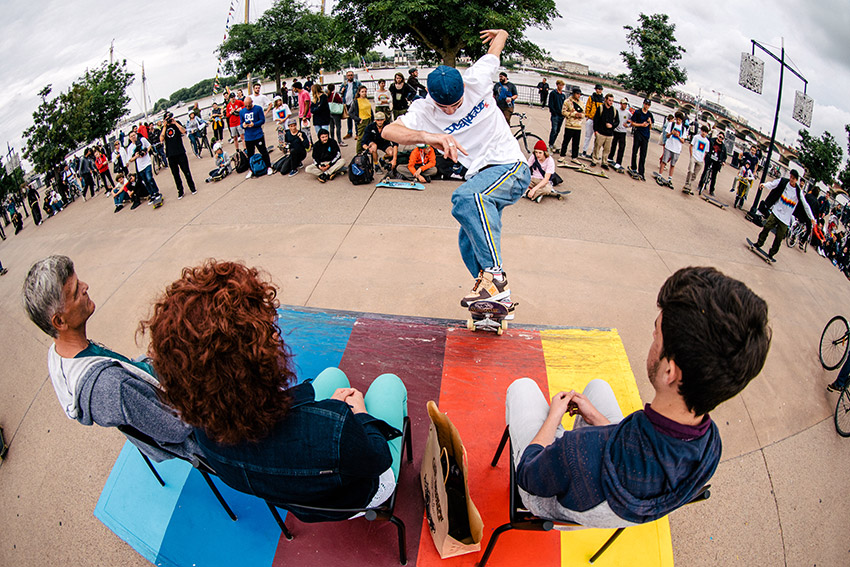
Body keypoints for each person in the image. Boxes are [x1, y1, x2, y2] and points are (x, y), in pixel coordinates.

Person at [138, 260, 408, 521]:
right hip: (355, 498)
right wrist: (358, 414)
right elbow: (378, 458)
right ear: (252, 365)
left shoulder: (202, 436)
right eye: (268, 330)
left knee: (332, 376)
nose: (277, 335)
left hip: (294, 496)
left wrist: (332, 412)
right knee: (388, 383)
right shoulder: (335, 429)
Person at [505, 266, 770, 527]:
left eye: (657, 333)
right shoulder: (711, 448)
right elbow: (629, 449)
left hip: (557, 505)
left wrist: (553, 417)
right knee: (598, 387)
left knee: (523, 387)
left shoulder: (578, 450)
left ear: (670, 372)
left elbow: (529, 473)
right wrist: (594, 416)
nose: (653, 336)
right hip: (616, 506)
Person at [383, 29, 530, 308]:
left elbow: (495, 49)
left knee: (466, 197)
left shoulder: (477, 78)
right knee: (467, 240)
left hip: (510, 166)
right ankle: (494, 297)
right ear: (431, 96)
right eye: (444, 107)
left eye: (457, 105)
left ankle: (496, 280)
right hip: (481, 176)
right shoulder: (424, 109)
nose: (450, 112)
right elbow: (389, 131)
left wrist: (501, 32)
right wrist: (428, 137)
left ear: (464, 87)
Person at [22, 255, 202, 462]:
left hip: (166, 390)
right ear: (60, 322)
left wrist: (151, 362)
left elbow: (130, 374)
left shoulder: (62, 352)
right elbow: (177, 430)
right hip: (200, 436)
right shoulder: (112, 386)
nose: (85, 287)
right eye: (75, 291)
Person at [752, 169, 814, 261]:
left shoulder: (798, 191)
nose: (791, 180)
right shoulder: (783, 182)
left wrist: (812, 218)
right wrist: (764, 185)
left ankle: (771, 253)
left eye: (793, 178)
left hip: (785, 218)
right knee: (767, 227)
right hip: (776, 211)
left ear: (796, 180)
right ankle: (759, 243)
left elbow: (806, 205)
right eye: (791, 177)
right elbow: (773, 184)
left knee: (779, 237)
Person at [160, 111, 197, 199]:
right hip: (171, 154)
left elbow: (184, 131)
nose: (169, 119)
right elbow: (161, 139)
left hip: (180, 152)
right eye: (167, 118)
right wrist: (164, 126)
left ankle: (192, 187)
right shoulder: (163, 128)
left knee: (186, 171)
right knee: (175, 174)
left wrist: (175, 123)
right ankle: (180, 191)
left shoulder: (176, 124)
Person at [240, 96, 274, 179]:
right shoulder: (242, 112)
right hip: (248, 136)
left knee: (263, 151)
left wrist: (254, 124)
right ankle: (251, 169)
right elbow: (241, 123)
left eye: (249, 105)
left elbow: (262, 120)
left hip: (258, 134)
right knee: (250, 154)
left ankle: (268, 166)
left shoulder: (258, 109)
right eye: (246, 106)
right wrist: (243, 125)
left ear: (252, 102)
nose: (247, 107)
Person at [127, 131, 161, 203]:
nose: (133, 137)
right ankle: (151, 194)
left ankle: (156, 192)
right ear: (130, 138)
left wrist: (146, 151)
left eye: (134, 135)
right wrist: (136, 156)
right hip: (140, 166)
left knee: (149, 178)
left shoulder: (142, 140)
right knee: (145, 181)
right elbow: (130, 159)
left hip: (147, 162)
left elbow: (149, 146)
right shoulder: (130, 148)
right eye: (131, 136)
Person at [627, 98, 654, 181]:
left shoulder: (649, 115)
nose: (647, 106)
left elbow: (650, 127)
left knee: (643, 154)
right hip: (638, 133)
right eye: (646, 104)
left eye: (648, 105)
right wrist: (641, 125)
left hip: (645, 136)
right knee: (635, 151)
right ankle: (633, 167)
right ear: (643, 104)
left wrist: (650, 122)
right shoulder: (638, 112)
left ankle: (641, 171)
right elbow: (632, 123)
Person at [590, 94, 619, 169]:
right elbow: (596, 120)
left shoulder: (614, 110)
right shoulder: (600, 108)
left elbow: (617, 121)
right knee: (597, 148)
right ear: (605, 100)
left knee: (607, 150)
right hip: (600, 132)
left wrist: (612, 126)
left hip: (609, 134)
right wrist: (595, 130)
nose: (611, 102)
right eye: (609, 100)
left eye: (612, 101)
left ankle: (604, 162)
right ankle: (594, 160)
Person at [655, 111, 685, 183]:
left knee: (673, 164)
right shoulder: (671, 124)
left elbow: (683, 141)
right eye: (677, 119)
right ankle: (660, 175)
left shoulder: (683, 129)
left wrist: (678, 136)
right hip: (669, 146)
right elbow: (667, 135)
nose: (678, 121)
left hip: (677, 149)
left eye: (679, 120)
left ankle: (669, 178)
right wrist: (671, 133)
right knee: (664, 161)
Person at [558, 87, 584, 162]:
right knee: (566, 141)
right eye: (577, 94)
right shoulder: (567, 102)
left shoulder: (581, 103)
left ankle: (574, 157)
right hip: (570, 125)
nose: (579, 95)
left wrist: (581, 115)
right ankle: (562, 155)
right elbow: (563, 112)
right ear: (573, 94)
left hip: (578, 126)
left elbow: (584, 113)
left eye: (580, 94)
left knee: (576, 143)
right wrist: (573, 114)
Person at [698, 131, 727, 196]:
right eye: (720, 137)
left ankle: (711, 190)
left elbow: (724, 156)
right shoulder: (711, 141)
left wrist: (723, 161)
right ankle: (700, 185)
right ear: (717, 136)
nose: (720, 139)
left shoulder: (723, 147)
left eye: (722, 138)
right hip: (709, 158)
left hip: (717, 161)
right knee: (705, 171)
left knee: (714, 175)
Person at [683, 125, 710, 193]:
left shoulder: (707, 142)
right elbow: (691, 146)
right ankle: (687, 184)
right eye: (703, 131)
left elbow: (706, 151)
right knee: (690, 171)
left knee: (695, 174)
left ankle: (690, 185)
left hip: (700, 159)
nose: (704, 133)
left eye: (705, 132)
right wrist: (691, 155)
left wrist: (703, 158)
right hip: (694, 156)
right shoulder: (696, 137)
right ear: (701, 131)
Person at [607, 98, 632, 172]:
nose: (625, 106)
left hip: (623, 132)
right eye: (623, 104)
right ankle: (610, 157)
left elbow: (633, 120)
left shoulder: (628, 113)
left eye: (626, 104)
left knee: (621, 147)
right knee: (613, 145)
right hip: (615, 130)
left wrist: (628, 125)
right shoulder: (616, 110)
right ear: (620, 104)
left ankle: (619, 162)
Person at [582, 85, 604, 157]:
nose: (599, 91)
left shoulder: (603, 99)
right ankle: (584, 150)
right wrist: (587, 116)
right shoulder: (591, 98)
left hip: (598, 121)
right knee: (588, 136)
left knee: (597, 138)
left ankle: (593, 152)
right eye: (598, 89)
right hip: (591, 118)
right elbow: (588, 107)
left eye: (600, 89)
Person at [340, 70, 363, 139]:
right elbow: (340, 92)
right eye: (349, 75)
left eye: (351, 75)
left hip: (354, 102)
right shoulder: (344, 84)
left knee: (355, 118)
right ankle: (349, 132)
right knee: (348, 118)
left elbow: (361, 90)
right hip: (347, 102)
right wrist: (342, 91)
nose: (350, 76)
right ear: (346, 76)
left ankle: (357, 133)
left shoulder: (357, 83)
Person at [352, 85, 373, 150]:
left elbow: (370, 110)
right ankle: (358, 151)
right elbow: (350, 113)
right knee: (361, 137)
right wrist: (358, 119)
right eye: (362, 92)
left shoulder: (366, 100)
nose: (364, 93)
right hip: (362, 120)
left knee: (368, 136)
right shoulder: (356, 101)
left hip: (369, 119)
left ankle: (366, 149)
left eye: (365, 91)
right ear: (359, 92)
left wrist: (372, 119)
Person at [547, 80, 566, 148]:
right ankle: (550, 144)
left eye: (562, 85)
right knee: (554, 130)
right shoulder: (553, 93)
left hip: (561, 115)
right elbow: (550, 104)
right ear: (557, 85)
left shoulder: (563, 95)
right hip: (555, 115)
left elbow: (564, 105)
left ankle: (553, 142)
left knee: (558, 130)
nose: (561, 87)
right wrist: (553, 112)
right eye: (560, 85)